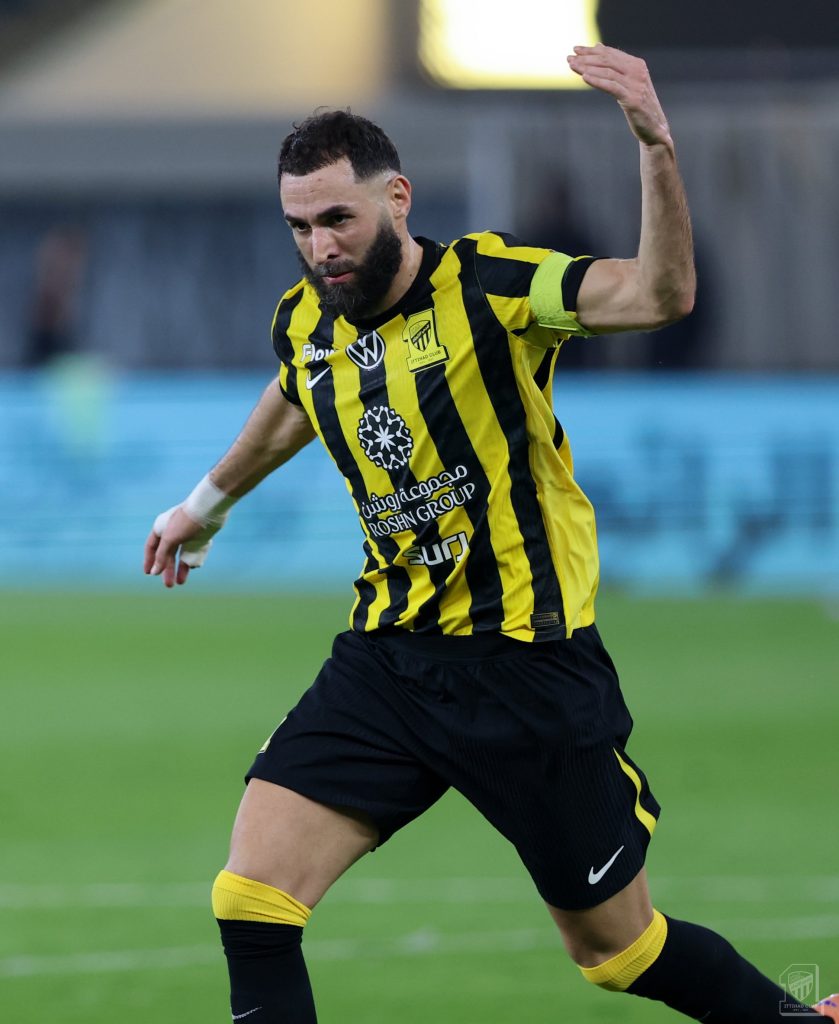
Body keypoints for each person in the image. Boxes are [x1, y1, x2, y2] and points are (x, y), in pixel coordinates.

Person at [145, 45, 836, 1023]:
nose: (320, 246)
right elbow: (296, 396)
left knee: (618, 950)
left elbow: (656, 295)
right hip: (389, 662)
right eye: (299, 227)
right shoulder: (307, 320)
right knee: (251, 896)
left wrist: (653, 147)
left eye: (337, 218)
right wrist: (202, 504)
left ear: (396, 198)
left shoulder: (490, 284)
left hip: (527, 672)